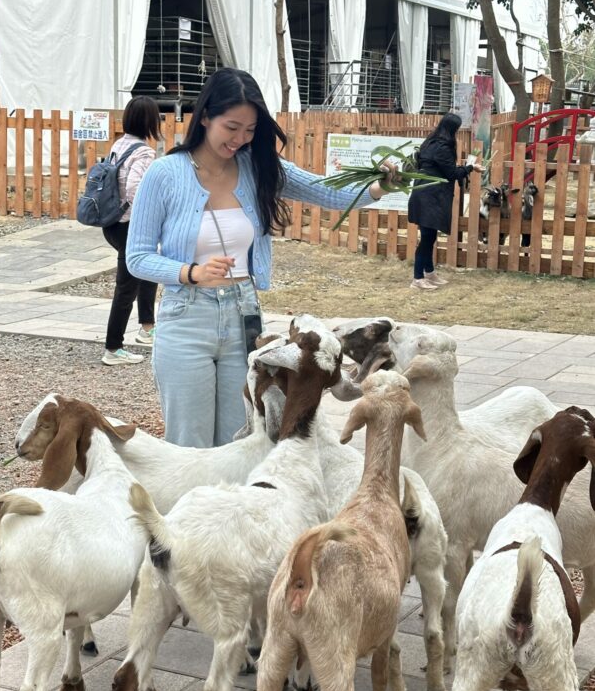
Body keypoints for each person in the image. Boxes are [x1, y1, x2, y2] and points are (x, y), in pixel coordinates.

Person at [126, 68, 392, 447]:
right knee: (189, 443)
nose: (240, 139)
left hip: (243, 317)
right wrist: (190, 272)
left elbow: (326, 192)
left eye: (249, 130)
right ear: (205, 117)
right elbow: (136, 257)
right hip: (186, 319)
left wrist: (381, 186)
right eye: (231, 127)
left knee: (242, 439)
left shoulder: (257, 166)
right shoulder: (164, 174)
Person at [101, 96, 162, 366]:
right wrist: (149, 217)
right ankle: (113, 348)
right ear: (149, 121)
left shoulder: (119, 144)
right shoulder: (144, 152)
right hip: (129, 225)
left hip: (112, 223)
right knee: (126, 287)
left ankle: (147, 328)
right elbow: (136, 188)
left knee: (147, 268)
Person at [408, 112, 483, 291]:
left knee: (429, 236)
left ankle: (430, 273)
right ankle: (417, 278)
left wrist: (464, 167)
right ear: (453, 129)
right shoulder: (442, 147)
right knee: (427, 238)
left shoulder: (430, 142)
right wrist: (471, 167)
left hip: (422, 191)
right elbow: (452, 174)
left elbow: (439, 168)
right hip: (430, 195)